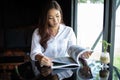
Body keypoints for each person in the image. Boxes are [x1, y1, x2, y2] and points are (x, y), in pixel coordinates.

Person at [30, 0, 92, 79]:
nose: (55, 20)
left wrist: (82, 54)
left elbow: (72, 49)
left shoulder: (68, 31)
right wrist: (40, 58)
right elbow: (35, 52)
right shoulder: (38, 32)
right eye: (50, 18)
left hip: (65, 69)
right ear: (46, 19)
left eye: (57, 16)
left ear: (61, 15)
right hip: (46, 68)